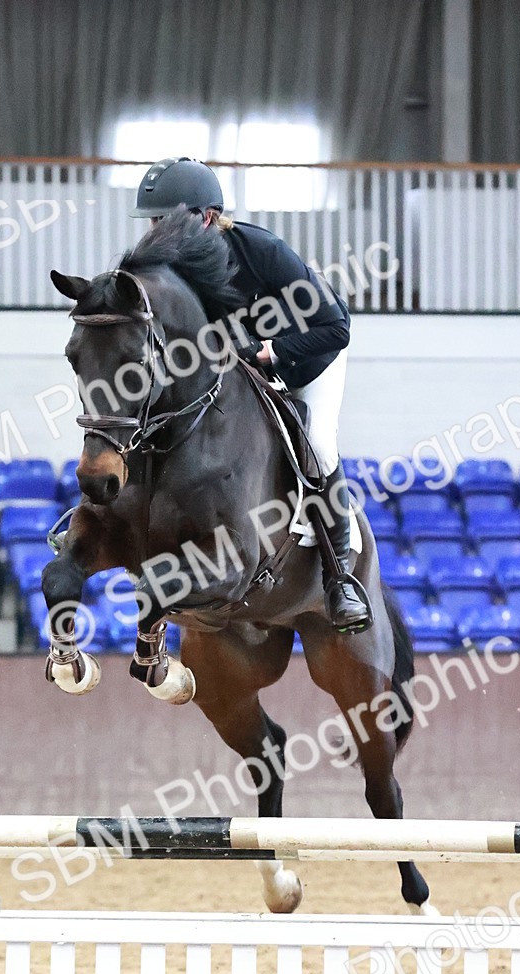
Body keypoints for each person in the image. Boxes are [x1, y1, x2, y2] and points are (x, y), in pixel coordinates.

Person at [131, 156, 371, 634]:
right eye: (152, 221)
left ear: (203, 217)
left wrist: (274, 351)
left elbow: (335, 327)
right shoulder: (165, 268)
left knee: (318, 441)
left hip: (307, 355)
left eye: (164, 220)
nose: (154, 231)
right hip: (236, 369)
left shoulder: (261, 251)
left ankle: (339, 574)